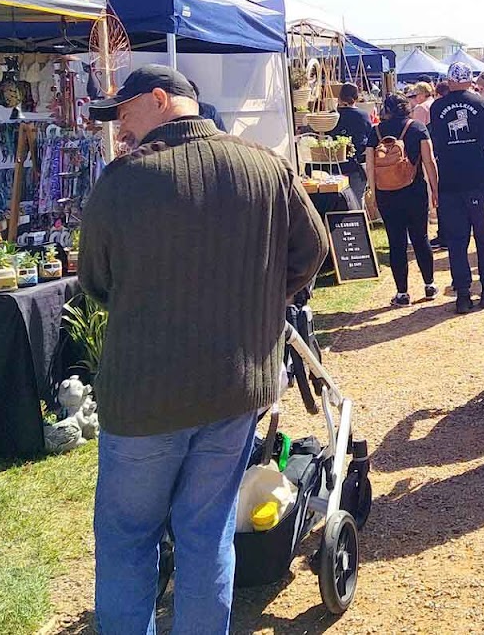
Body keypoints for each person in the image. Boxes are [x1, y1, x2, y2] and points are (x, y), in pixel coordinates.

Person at [80, 64, 328, 635]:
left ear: (161, 100)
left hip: (147, 396)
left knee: (128, 541)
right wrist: (261, 301)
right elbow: (310, 251)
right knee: (205, 533)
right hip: (234, 388)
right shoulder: (263, 166)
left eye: (123, 113)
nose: (119, 128)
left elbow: (95, 280)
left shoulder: (123, 181)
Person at [430, 61, 484, 313]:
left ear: (449, 80)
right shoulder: (483, 103)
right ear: (470, 80)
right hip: (480, 179)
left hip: (450, 181)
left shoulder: (437, 106)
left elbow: (437, 142)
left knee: (457, 241)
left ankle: (462, 294)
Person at [375, 92, 440, 306]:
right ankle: (429, 284)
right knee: (420, 238)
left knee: (396, 242)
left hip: (386, 193)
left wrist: (374, 194)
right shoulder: (417, 128)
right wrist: (435, 189)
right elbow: (429, 161)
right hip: (414, 191)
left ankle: (402, 293)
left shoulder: (375, 131)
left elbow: (370, 167)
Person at [327, 83, 376, 211]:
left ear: (340, 97)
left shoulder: (331, 116)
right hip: (355, 164)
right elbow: (368, 138)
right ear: (356, 97)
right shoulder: (362, 115)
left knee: (335, 202)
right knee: (357, 200)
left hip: (333, 165)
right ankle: (359, 229)